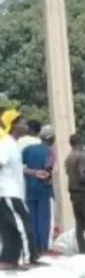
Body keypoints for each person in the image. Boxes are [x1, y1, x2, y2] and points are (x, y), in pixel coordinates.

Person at [0, 112, 38, 269]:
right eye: (22, 121)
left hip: (12, 192)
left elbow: (13, 167)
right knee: (24, 224)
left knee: (10, 229)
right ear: (13, 125)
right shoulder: (6, 144)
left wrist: (34, 172)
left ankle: (8, 260)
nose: (25, 124)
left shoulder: (14, 144)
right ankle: (29, 258)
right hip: (9, 192)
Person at [21, 123, 55, 253]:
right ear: (51, 138)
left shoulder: (28, 149)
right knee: (44, 219)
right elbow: (47, 170)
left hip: (30, 188)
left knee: (32, 219)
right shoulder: (50, 153)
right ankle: (44, 247)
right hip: (44, 189)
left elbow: (20, 167)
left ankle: (33, 247)